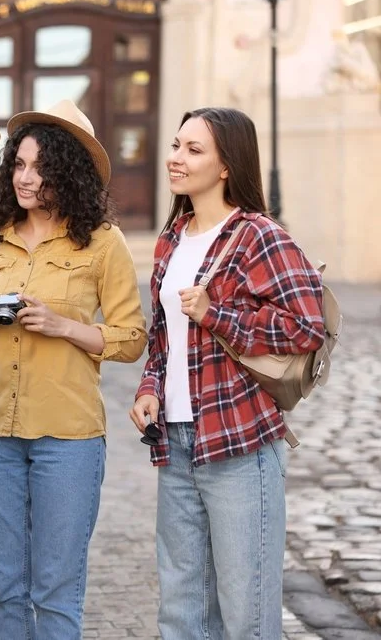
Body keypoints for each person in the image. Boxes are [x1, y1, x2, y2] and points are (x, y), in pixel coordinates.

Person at [0, 100, 147, 639]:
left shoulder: (103, 244)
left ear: (70, 173)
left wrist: (63, 326)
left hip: (68, 438)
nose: (26, 179)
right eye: (19, 165)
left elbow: (131, 339)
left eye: (42, 168)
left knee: (55, 590)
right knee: (4, 590)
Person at [128, 107, 326, 638]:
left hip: (239, 444)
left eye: (194, 150)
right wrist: (151, 389)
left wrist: (215, 314)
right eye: (176, 145)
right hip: (176, 442)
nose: (175, 157)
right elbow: (162, 338)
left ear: (225, 166)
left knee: (247, 614)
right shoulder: (173, 237)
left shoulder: (258, 236)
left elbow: (306, 326)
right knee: (182, 609)